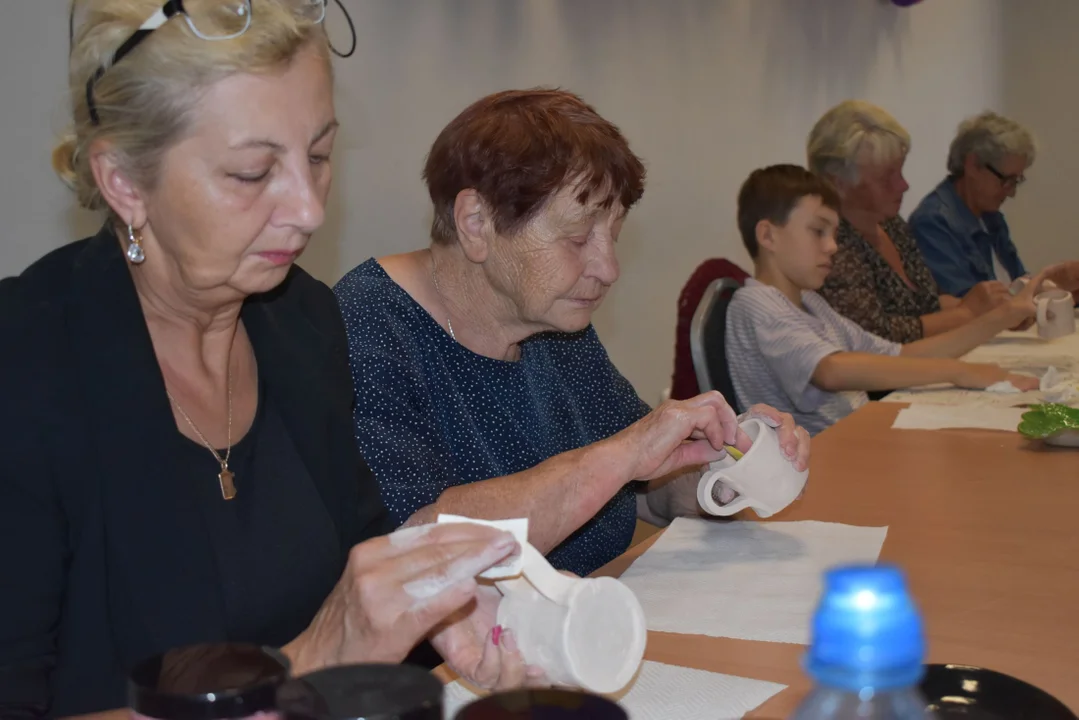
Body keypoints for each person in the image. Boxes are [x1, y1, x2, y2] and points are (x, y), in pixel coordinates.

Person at [0, 2, 557, 716]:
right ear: (124, 183)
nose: (308, 209)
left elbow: (357, 560)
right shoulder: (25, 364)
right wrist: (313, 658)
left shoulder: (301, 320)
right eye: (251, 172)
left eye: (319, 157)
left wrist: (432, 610)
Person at [333, 89, 813, 577]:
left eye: (615, 237)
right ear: (476, 223)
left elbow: (646, 493)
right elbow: (413, 551)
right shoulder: (367, 325)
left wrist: (727, 467)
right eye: (578, 238)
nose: (608, 269)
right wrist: (624, 453)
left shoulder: (553, 322)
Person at [725, 165, 1043, 435]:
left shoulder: (810, 303)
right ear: (768, 236)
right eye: (818, 231)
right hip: (820, 462)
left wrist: (1000, 318)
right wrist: (955, 371)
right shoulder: (756, 303)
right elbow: (830, 370)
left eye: (834, 234)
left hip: (853, 439)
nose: (833, 246)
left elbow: (903, 354)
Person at [807, 100, 1011, 344]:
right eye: (886, 178)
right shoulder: (829, 246)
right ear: (838, 183)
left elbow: (926, 304)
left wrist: (996, 307)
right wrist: (968, 313)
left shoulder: (891, 224)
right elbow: (874, 335)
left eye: (900, 171)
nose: (903, 185)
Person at [908, 112, 1073, 302]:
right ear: (973, 165)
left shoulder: (991, 218)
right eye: (1006, 180)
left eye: (1016, 181)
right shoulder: (933, 223)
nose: (1011, 192)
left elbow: (1017, 285)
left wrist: (1055, 287)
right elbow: (970, 308)